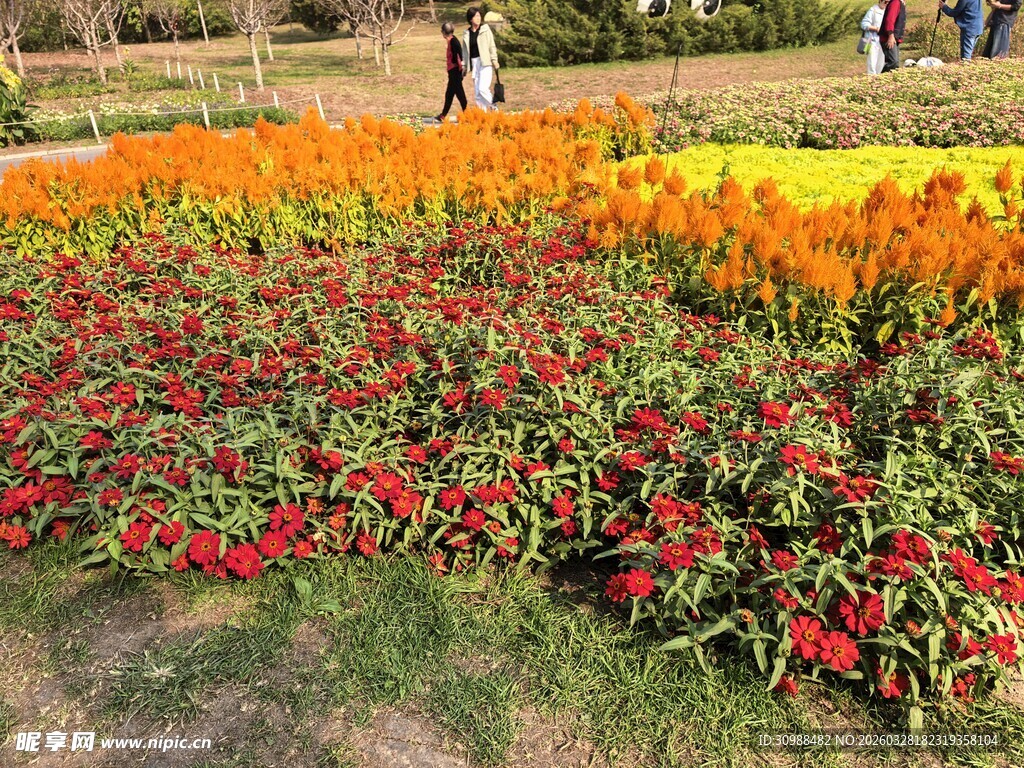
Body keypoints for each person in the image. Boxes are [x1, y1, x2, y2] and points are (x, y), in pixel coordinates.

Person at [462, 7, 500, 112]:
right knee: (478, 93)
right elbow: (464, 52)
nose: (478, 18)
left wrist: (494, 60)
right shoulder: (466, 33)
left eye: (479, 16)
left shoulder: (485, 29)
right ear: (470, 19)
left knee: (483, 89)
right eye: (475, 16)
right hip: (474, 63)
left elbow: (492, 45)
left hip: (485, 62)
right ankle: (482, 115)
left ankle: (493, 105)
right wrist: (464, 66)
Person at [436, 22, 467, 123]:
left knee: (460, 94)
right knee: (449, 94)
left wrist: (462, 69)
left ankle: (468, 115)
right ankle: (443, 115)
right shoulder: (451, 41)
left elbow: (459, 55)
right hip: (453, 72)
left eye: (442, 31)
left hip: (455, 72)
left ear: (444, 32)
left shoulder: (454, 41)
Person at [861, 0, 888, 75]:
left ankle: (879, 77)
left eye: (889, 2)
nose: (887, 4)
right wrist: (876, 28)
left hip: (883, 40)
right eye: (885, 2)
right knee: (872, 62)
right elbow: (864, 24)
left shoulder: (887, 11)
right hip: (873, 40)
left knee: (881, 62)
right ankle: (871, 78)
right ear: (880, 1)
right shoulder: (873, 10)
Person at [878, 0, 906, 71]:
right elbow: (889, 20)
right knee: (893, 62)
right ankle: (878, 79)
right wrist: (890, 36)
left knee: (895, 65)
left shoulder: (899, 2)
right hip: (888, 38)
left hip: (894, 38)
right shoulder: (895, 2)